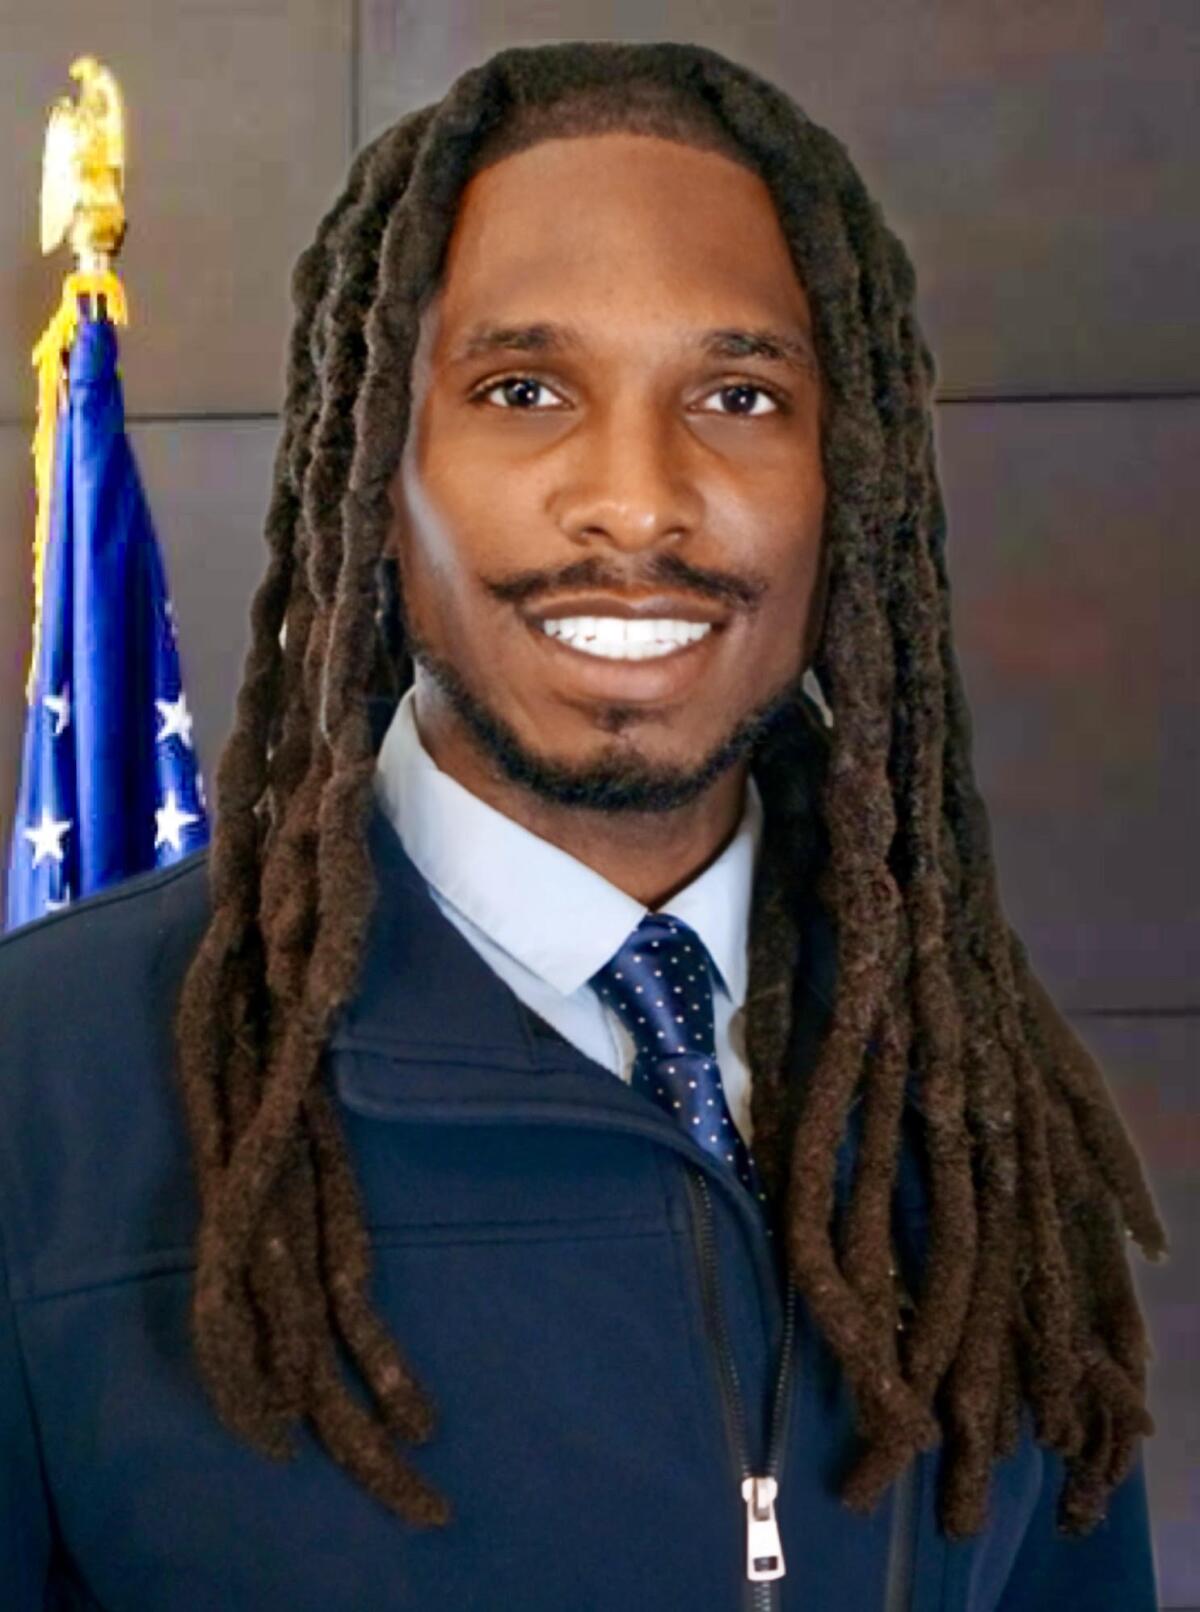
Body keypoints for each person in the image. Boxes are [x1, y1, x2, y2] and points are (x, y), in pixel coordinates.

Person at [0, 38, 1170, 1611]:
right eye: (524, 391)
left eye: (740, 396)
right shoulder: (44, 1091)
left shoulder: (978, 1111)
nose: (637, 499)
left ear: (851, 482)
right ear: (379, 469)